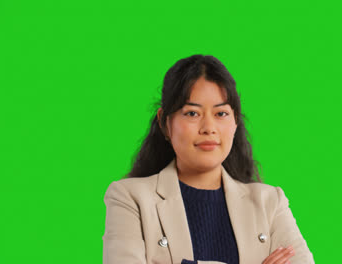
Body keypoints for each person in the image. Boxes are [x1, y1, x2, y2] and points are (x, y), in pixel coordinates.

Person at [102, 54, 315, 264]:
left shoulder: (270, 203)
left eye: (221, 114)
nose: (208, 128)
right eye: (192, 113)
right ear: (165, 123)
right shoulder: (129, 199)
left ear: (235, 123)